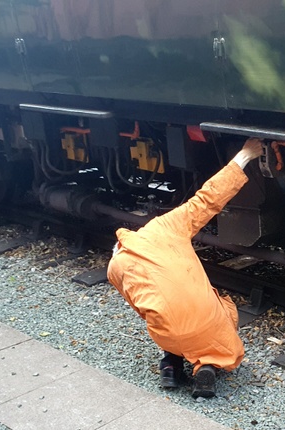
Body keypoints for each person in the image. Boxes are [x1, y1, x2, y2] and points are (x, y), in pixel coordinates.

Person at [107, 138, 263, 397]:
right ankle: (209, 365)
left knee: (162, 313)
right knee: (226, 308)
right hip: (209, 323)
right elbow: (208, 198)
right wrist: (244, 155)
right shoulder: (164, 227)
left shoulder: (116, 268)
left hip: (167, 333)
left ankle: (170, 365)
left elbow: (142, 310)